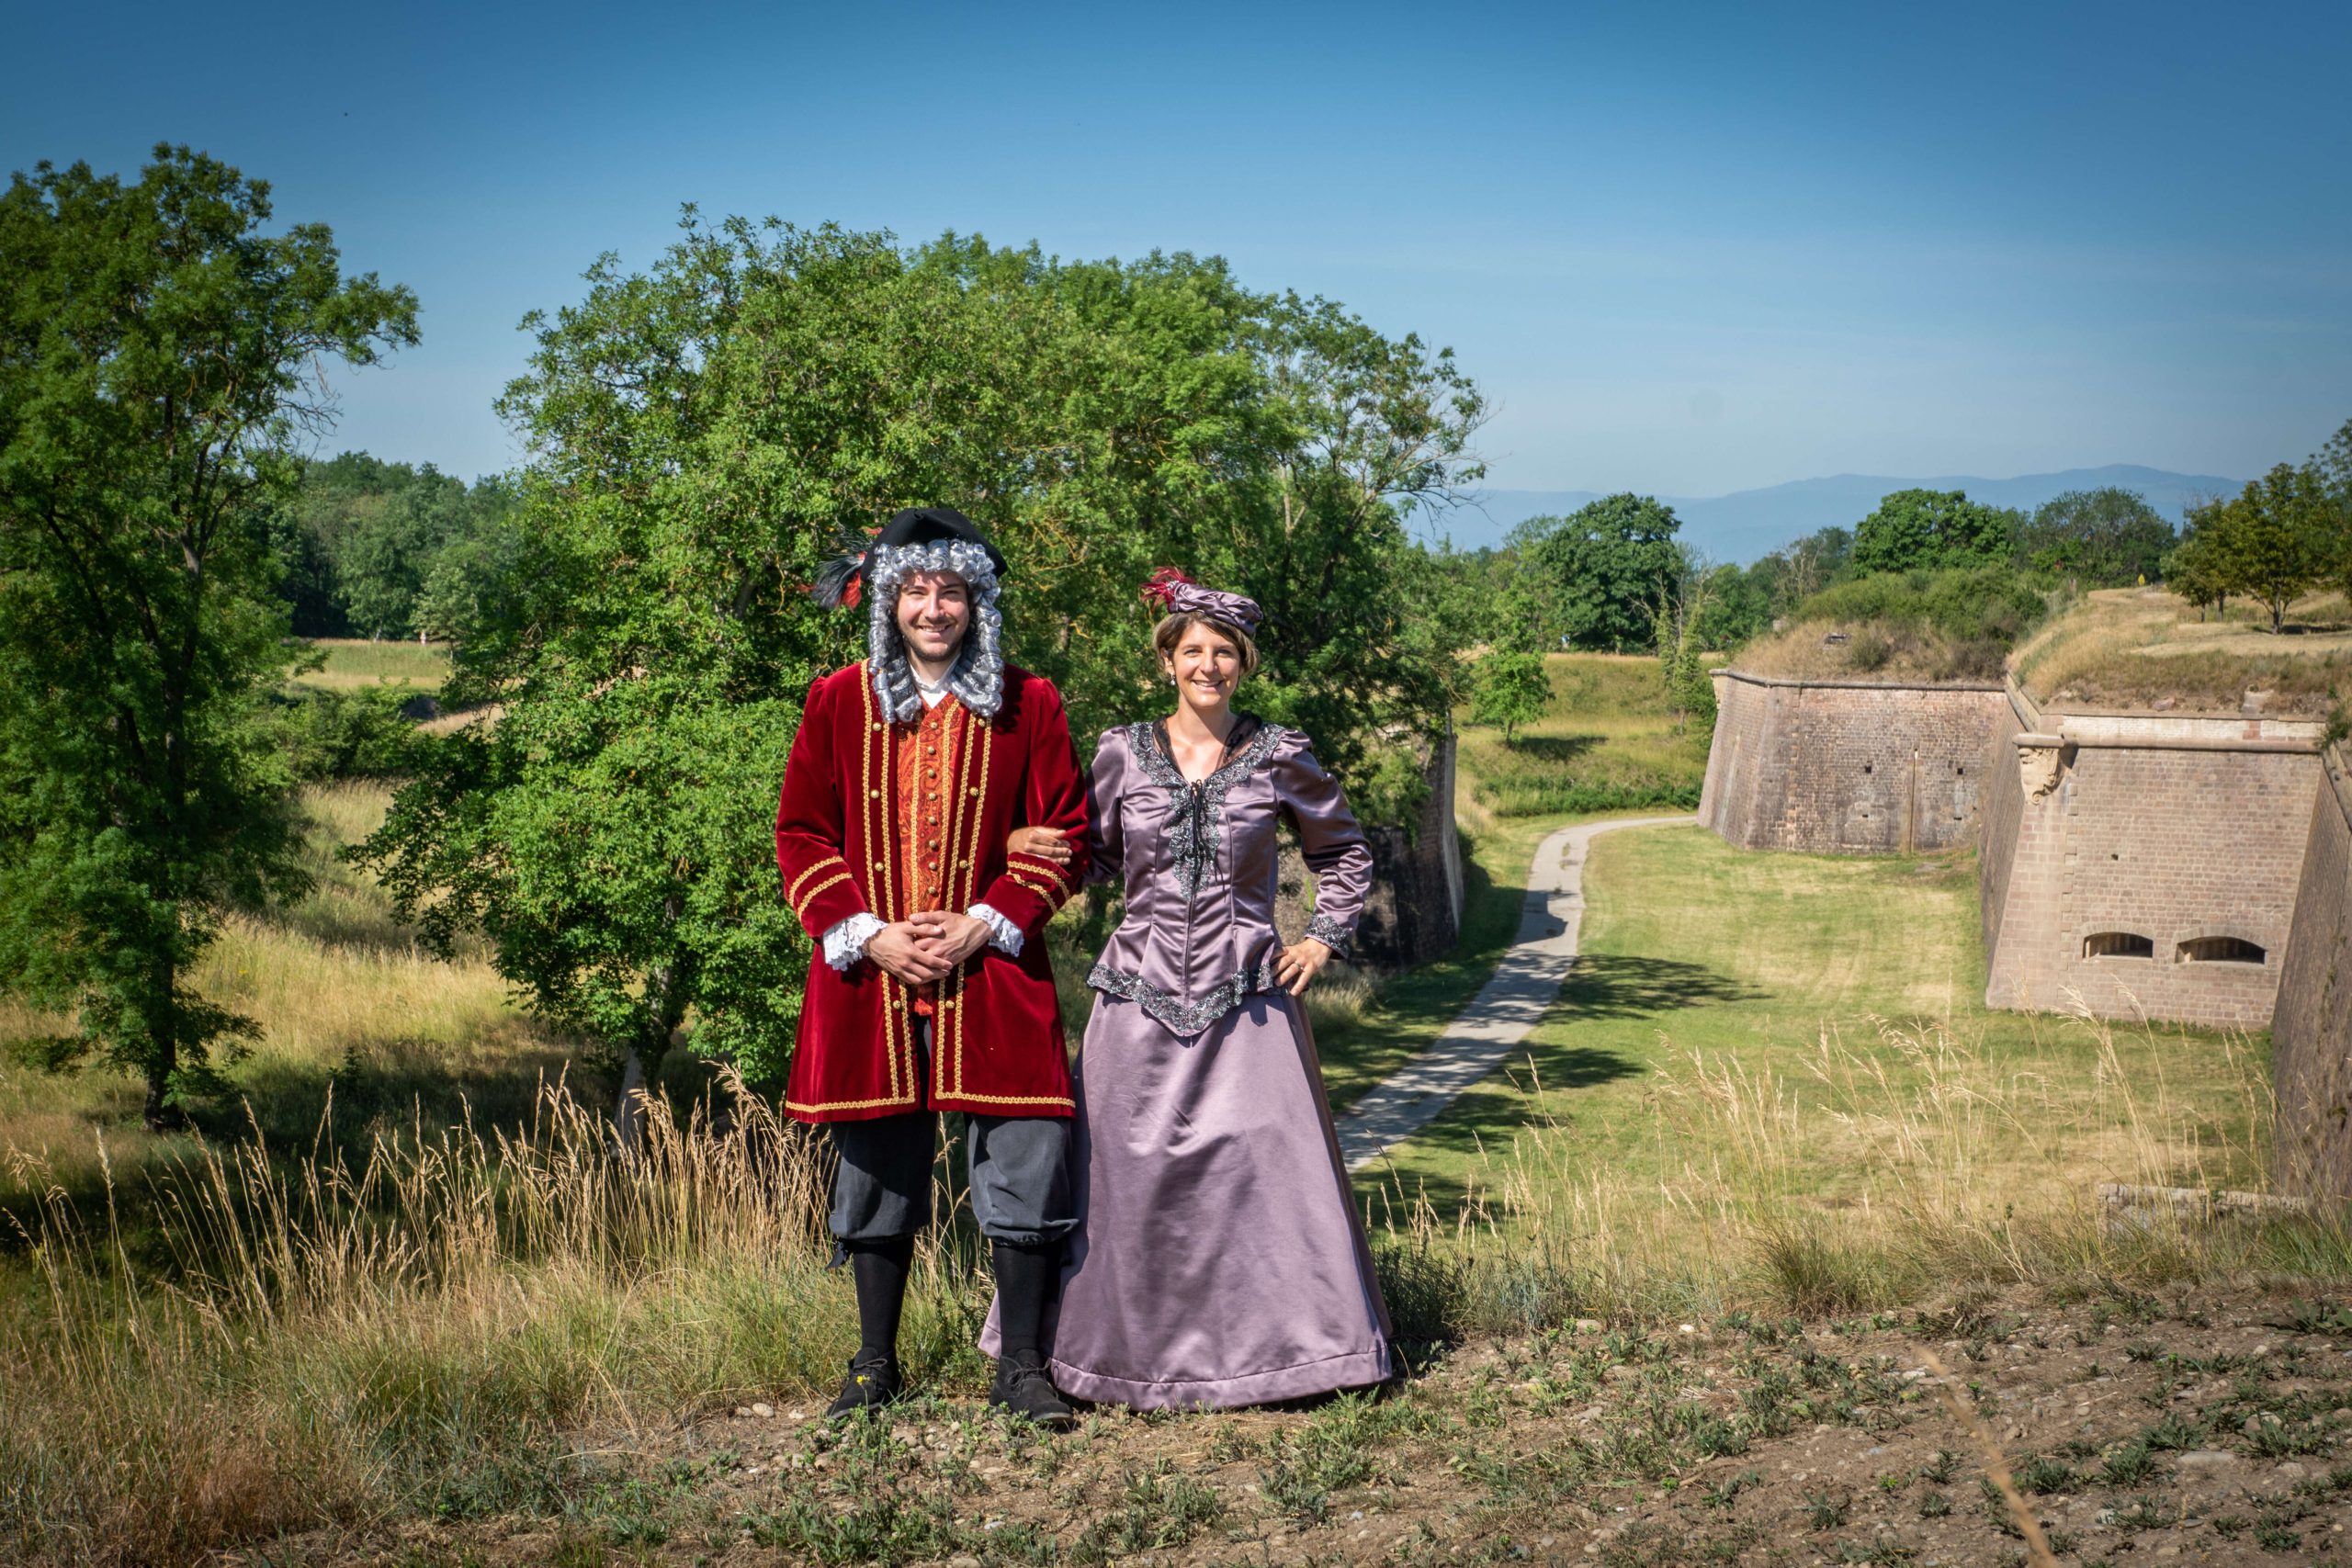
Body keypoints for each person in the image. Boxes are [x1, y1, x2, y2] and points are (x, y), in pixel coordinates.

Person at [999, 568, 1394, 1409]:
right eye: (1192, 651)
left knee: (1259, 1178)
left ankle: (1285, 1359)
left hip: (1249, 999)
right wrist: (1036, 849)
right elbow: (1097, 856)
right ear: (1166, 661)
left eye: (1223, 653)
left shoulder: (1280, 754)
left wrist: (1322, 939)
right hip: (1135, 997)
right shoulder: (1120, 751)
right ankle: (1107, 1363)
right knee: (1124, 1180)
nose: (1207, 665)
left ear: (1242, 665)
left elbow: (1345, 851)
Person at [775, 506, 1088, 1427]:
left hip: (990, 970)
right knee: (875, 1164)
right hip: (871, 977)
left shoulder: (1031, 704)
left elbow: (1066, 830)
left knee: (1025, 1158)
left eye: (951, 591)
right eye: (916, 590)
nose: (934, 608)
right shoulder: (838, 699)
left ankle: (1022, 1368)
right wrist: (868, 933)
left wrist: (988, 919)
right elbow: (800, 831)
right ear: (888, 601)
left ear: (976, 601)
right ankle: (874, 1364)